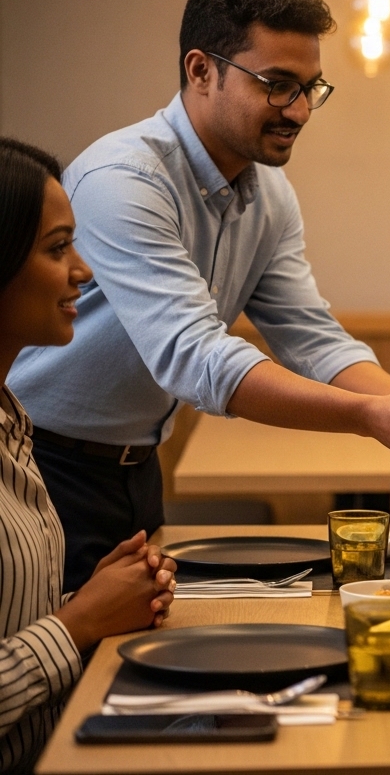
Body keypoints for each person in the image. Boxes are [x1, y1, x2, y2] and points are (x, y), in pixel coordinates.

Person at [8, 0, 390, 590]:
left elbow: (312, 338)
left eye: (311, 88)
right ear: (200, 70)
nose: (298, 110)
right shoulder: (123, 180)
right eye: (277, 84)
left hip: (138, 467)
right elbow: (196, 357)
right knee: (56, 668)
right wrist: (369, 417)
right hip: (41, 462)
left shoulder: (269, 193)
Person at [0, 137, 176, 775]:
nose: (84, 270)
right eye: (56, 249)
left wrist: (102, 593)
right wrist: (78, 623)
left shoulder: (12, 421)